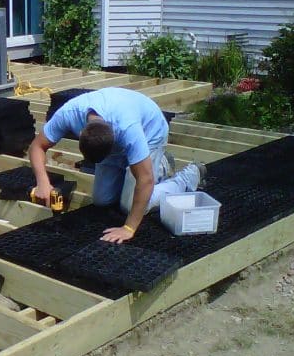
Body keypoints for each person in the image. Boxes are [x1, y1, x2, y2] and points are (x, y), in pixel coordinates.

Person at [29, 87, 205, 244]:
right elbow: (37, 146)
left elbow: (145, 180)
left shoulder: (129, 130)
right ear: (82, 132)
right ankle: (138, 166)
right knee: (102, 201)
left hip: (150, 132)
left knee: (129, 205)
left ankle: (184, 174)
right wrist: (43, 182)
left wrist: (128, 228)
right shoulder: (69, 114)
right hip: (118, 137)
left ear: (114, 138)